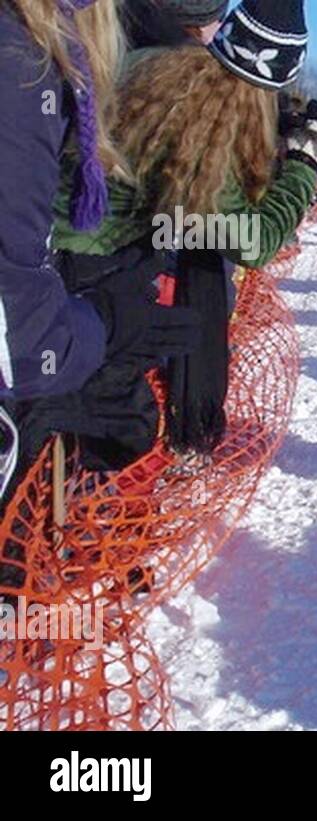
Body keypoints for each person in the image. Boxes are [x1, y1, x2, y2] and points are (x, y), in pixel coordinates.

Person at [49, 0, 317, 462]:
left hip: (53, 246)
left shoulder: (154, 65)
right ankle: (101, 494)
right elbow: (251, 241)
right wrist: (304, 164)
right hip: (89, 269)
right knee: (124, 417)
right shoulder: (207, 120)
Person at [1, 0, 199, 498]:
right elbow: (21, 336)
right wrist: (108, 321)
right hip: (73, 309)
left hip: (71, 292)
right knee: (112, 422)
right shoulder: (22, 65)